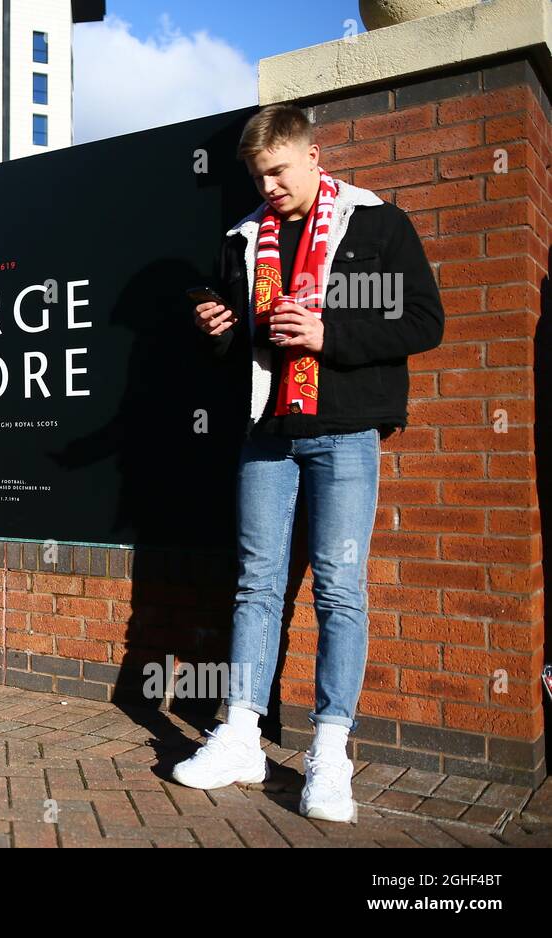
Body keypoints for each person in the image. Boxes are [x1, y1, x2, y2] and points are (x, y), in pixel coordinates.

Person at [174, 104, 444, 823]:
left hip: (344, 428)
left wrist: (330, 331)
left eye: (278, 171)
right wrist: (219, 329)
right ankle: (240, 735)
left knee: (339, 590)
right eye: (258, 176)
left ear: (313, 155)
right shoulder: (242, 241)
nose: (268, 187)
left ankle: (330, 753)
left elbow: (425, 320)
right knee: (256, 585)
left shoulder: (376, 222)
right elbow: (236, 351)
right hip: (266, 430)